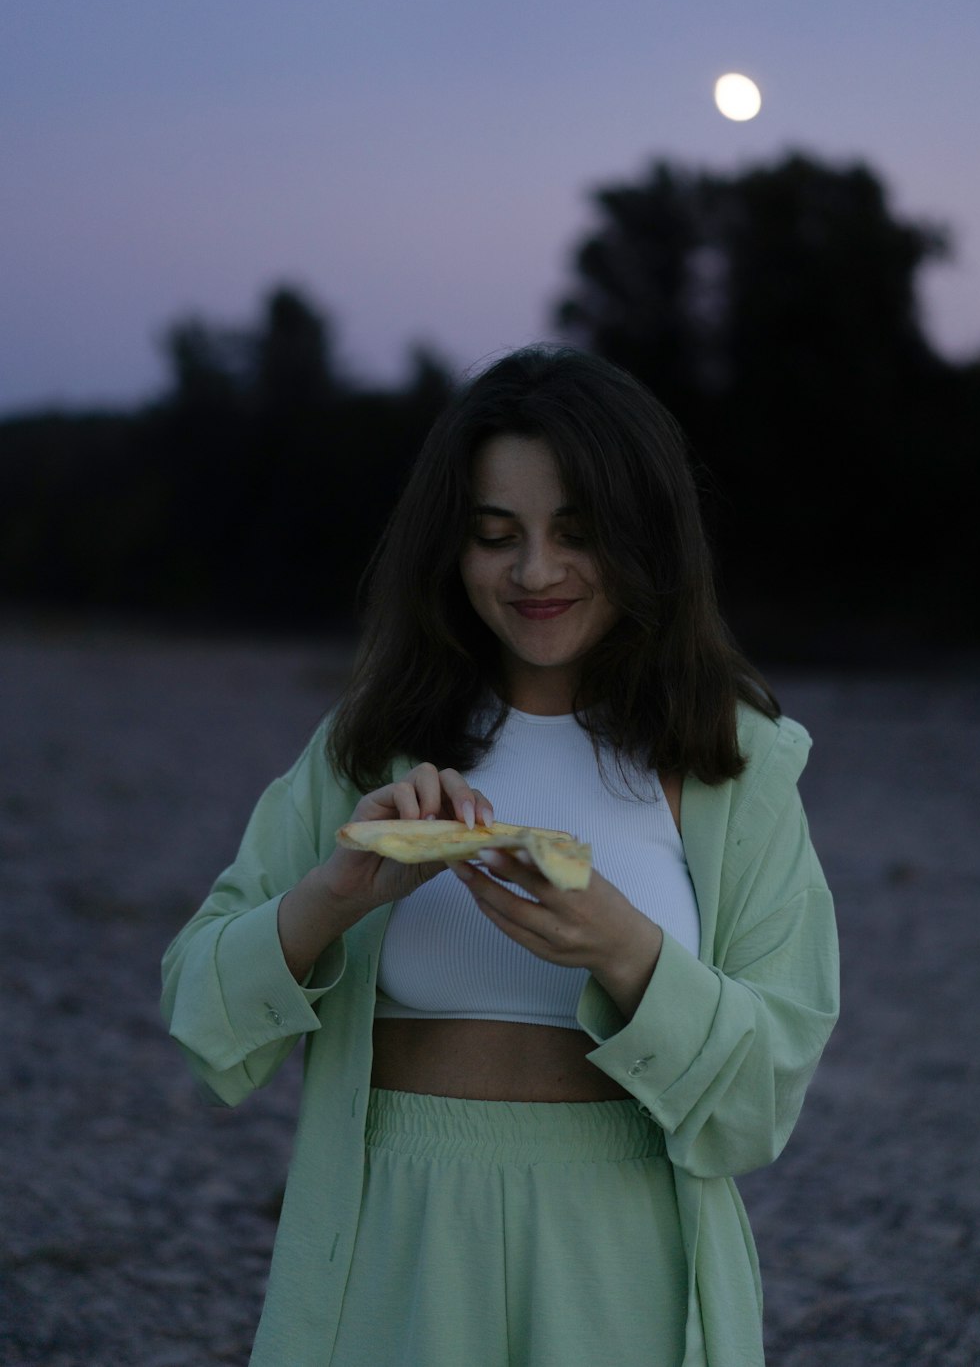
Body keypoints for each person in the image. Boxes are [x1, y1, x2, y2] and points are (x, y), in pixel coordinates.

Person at [161, 344, 839, 1367]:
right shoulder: (367, 746)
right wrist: (335, 895)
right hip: (395, 1233)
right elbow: (201, 1014)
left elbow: (764, 1095)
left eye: (577, 533)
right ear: (451, 548)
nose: (533, 572)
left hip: (623, 1249)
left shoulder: (732, 766)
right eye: (494, 536)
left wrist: (626, 951)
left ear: (646, 538)